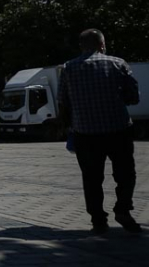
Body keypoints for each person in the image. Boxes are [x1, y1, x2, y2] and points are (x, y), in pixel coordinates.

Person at [58, 28, 141, 235]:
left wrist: (69, 127)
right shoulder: (118, 63)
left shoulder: (68, 68)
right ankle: (123, 209)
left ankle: (98, 220)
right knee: (125, 173)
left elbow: (63, 102)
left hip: (85, 133)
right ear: (102, 45)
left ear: (81, 46)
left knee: (92, 178)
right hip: (118, 130)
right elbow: (133, 96)